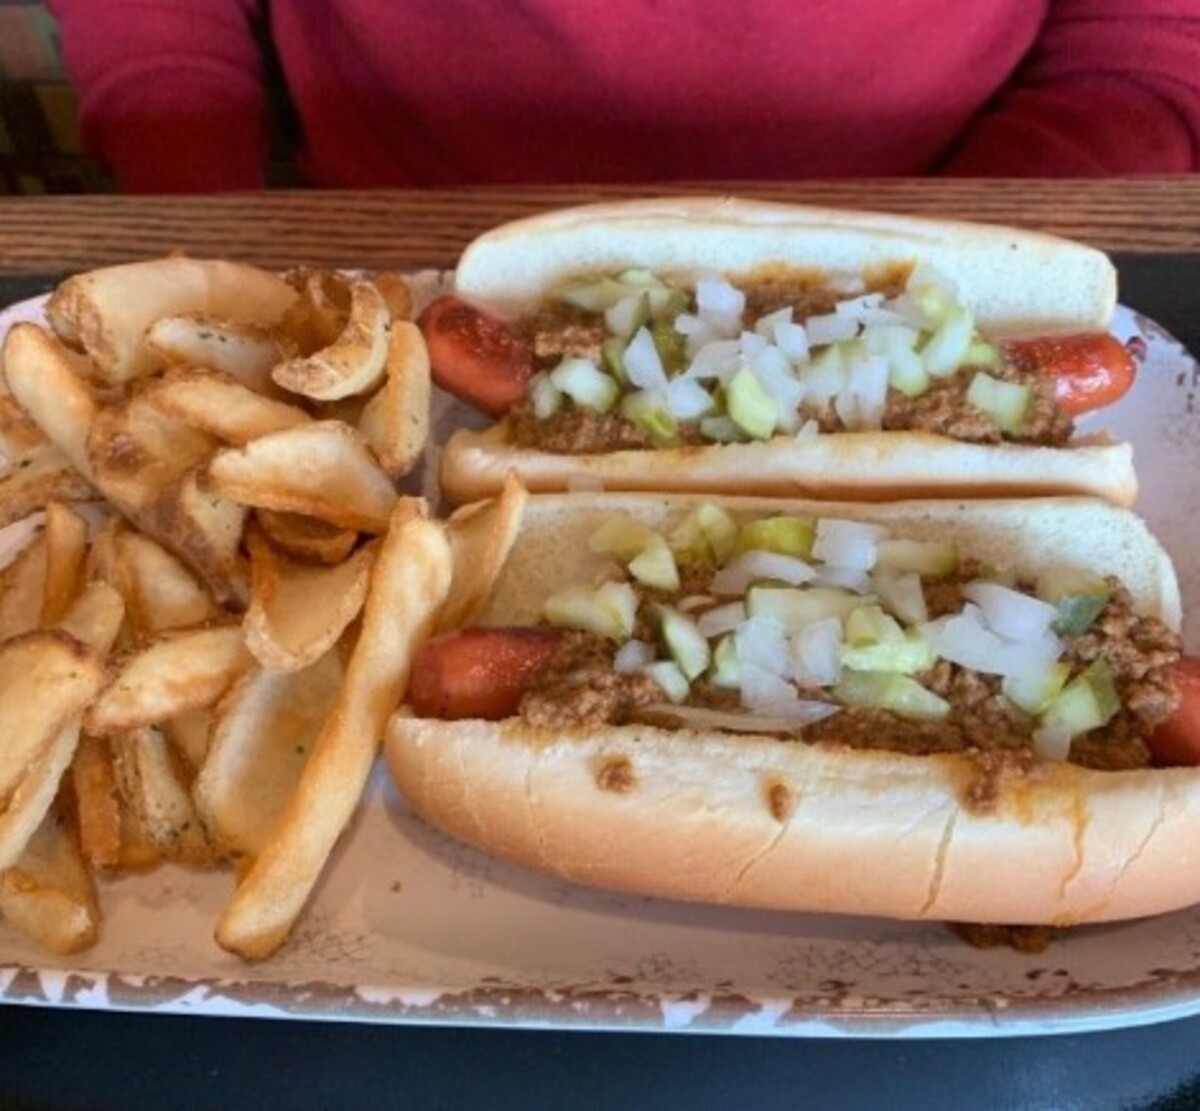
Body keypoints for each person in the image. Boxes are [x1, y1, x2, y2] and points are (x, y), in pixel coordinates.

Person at [46, 0, 1200, 193]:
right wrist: (209, 217)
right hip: (375, 263)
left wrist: (937, 302)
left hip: (955, 263)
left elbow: (1147, 48)